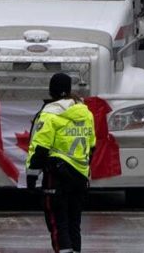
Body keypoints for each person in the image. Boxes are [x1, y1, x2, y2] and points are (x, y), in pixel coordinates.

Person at [26, 73, 96, 253]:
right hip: (80, 176)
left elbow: (40, 148)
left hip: (57, 176)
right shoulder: (85, 113)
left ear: (51, 91)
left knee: (58, 225)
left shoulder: (49, 114)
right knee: (74, 224)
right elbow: (92, 145)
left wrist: (31, 178)